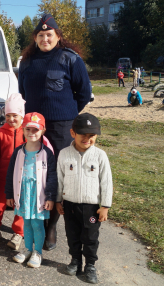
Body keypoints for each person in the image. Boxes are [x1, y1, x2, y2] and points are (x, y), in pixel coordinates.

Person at [18, 13, 91, 250]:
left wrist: (67, 114)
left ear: (58, 36)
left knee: (57, 174)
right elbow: (23, 94)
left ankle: (51, 227)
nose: (45, 39)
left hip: (61, 126)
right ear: (35, 38)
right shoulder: (27, 62)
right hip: (34, 126)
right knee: (34, 172)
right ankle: (35, 219)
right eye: (41, 35)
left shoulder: (70, 59)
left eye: (49, 35)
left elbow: (83, 92)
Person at [56, 113, 113, 284]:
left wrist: (105, 206)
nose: (87, 139)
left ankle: (90, 265)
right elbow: (59, 179)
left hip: (91, 207)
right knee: (72, 235)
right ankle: (75, 261)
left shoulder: (100, 156)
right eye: (83, 135)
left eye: (92, 136)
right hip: (70, 205)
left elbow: (106, 182)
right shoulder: (64, 154)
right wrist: (58, 200)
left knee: (90, 237)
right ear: (73, 133)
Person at [5, 113, 57, 268]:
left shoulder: (47, 153)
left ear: (43, 130)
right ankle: (27, 249)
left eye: (35, 130)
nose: (31, 133)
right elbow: (10, 174)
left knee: (37, 224)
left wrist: (50, 197)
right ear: (23, 129)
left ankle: (37, 252)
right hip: (23, 194)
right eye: (28, 129)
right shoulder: (18, 152)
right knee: (26, 223)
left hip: (38, 196)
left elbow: (52, 176)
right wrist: (9, 194)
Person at [0, 93, 26, 249]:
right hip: (3, 177)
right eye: (8, 115)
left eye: (15, 115)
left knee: (20, 205)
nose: (11, 119)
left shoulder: (26, 133)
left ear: (21, 115)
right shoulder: (1, 133)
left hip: (22, 177)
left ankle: (18, 233)